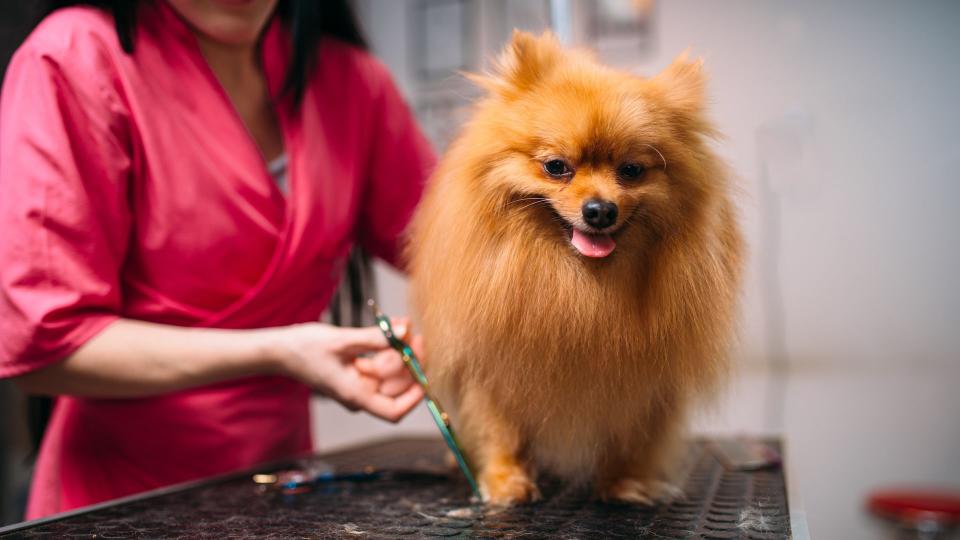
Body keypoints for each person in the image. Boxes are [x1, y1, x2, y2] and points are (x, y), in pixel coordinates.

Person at [0, 0, 434, 519]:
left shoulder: (350, 82)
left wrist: (446, 341)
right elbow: (46, 345)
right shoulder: (73, 55)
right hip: (119, 502)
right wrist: (281, 350)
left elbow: (461, 253)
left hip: (285, 499)